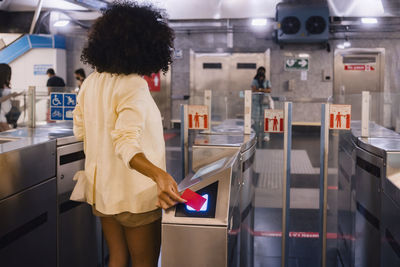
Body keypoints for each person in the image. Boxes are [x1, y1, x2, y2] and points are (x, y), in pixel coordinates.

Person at [70, 3, 185, 267]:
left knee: (117, 258)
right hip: (136, 195)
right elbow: (125, 141)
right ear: (146, 45)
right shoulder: (133, 84)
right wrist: (160, 175)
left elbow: (80, 130)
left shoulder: (91, 82)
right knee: (144, 262)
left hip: (102, 191)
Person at [251, 66, 273, 142]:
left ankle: (266, 135)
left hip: (264, 103)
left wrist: (260, 89)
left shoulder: (267, 81)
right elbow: (253, 89)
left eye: (263, 71)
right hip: (256, 103)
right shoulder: (254, 81)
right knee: (256, 119)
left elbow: (269, 90)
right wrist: (264, 90)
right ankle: (255, 135)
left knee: (265, 119)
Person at [0, 63, 21, 132]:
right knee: (7, 133)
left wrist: (14, 95)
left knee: (5, 134)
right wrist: (10, 95)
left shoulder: (5, 84)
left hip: (6, 113)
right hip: (1, 113)